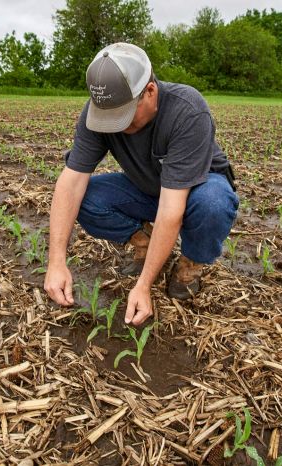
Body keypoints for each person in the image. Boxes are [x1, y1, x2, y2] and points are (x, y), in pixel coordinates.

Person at [43, 42, 238, 327]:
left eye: (123, 115)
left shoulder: (187, 110)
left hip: (197, 189)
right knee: (85, 198)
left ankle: (189, 265)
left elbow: (172, 207)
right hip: (148, 188)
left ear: (150, 90)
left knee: (213, 204)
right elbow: (70, 183)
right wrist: (56, 262)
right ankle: (144, 242)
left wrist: (144, 284)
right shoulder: (97, 114)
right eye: (107, 117)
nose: (116, 126)